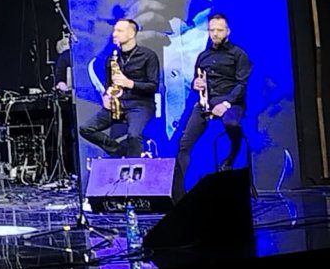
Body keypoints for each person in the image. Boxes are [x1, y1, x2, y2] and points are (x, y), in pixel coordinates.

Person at [173, 14, 252, 199]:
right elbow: (197, 79)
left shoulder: (238, 54)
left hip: (231, 101)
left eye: (219, 30)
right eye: (212, 30)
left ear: (228, 31)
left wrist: (225, 104)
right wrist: (196, 84)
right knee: (184, 143)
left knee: (232, 124)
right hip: (206, 103)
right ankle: (178, 194)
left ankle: (230, 160)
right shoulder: (203, 56)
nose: (215, 34)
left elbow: (241, 85)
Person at [78, 18, 159, 158]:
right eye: (114, 30)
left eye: (119, 31)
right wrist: (106, 96)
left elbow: (153, 86)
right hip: (117, 105)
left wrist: (129, 83)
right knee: (85, 129)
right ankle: (122, 153)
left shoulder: (148, 56)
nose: (114, 34)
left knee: (133, 135)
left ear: (131, 34)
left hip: (140, 105)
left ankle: (134, 165)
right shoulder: (112, 59)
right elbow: (108, 85)